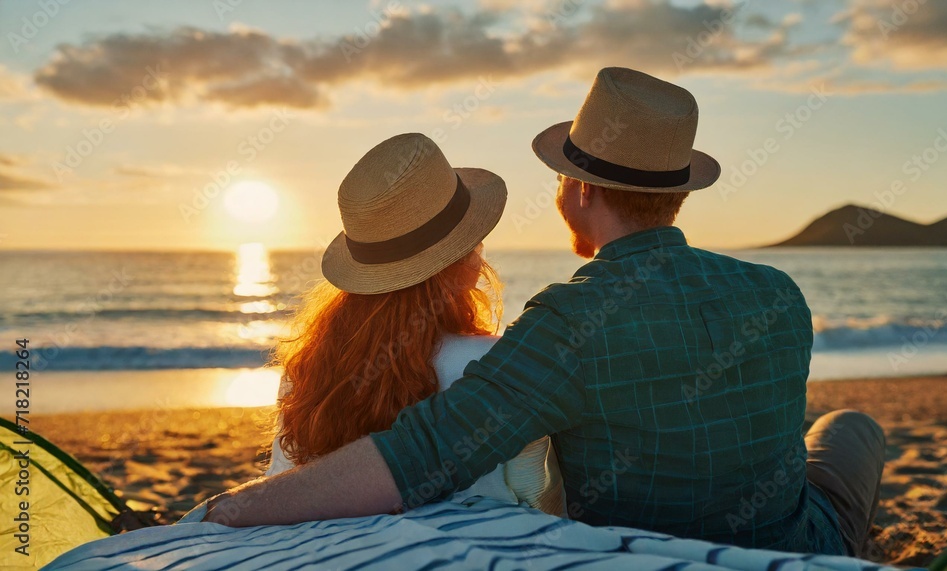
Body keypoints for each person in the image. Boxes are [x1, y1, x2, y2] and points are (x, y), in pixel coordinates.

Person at [205, 68, 885, 558]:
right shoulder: (778, 293)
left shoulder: (566, 320)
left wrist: (235, 505)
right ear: (675, 193)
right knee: (849, 428)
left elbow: (420, 456)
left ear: (581, 190)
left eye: (561, 176)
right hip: (802, 544)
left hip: (641, 548)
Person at [262, 132, 564, 515]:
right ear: (463, 264)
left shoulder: (306, 368)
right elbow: (534, 494)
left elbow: (280, 485)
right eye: (475, 242)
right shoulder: (495, 364)